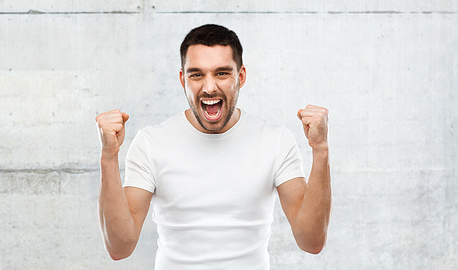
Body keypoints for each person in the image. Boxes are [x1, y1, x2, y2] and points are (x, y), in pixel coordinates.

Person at [96, 24, 331, 269]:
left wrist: (320, 149)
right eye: (197, 74)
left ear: (240, 77)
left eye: (221, 73)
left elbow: (311, 241)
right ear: (182, 79)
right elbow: (120, 248)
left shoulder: (275, 140)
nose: (209, 87)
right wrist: (109, 156)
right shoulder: (151, 143)